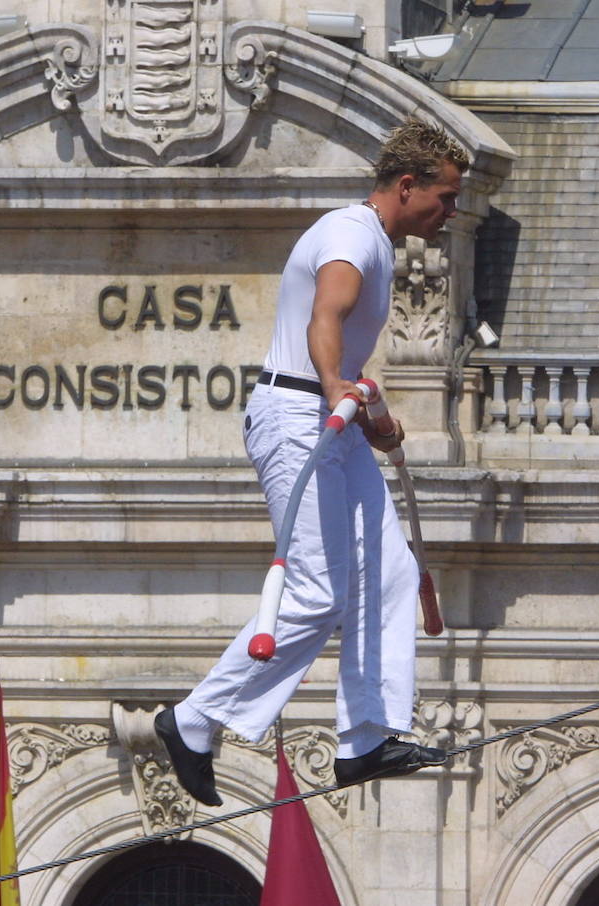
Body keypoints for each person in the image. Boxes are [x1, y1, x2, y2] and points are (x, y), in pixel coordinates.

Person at [155, 119, 469, 806]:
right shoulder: (353, 235)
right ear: (407, 185)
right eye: (445, 197)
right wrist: (335, 388)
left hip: (335, 421)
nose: (451, 212)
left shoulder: (378, 244)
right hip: (300, 416)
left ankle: (365, 740)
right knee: (317, 592)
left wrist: (373, 416)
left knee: (391, 570)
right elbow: (325, 317)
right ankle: (192, 720)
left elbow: (347, 354)